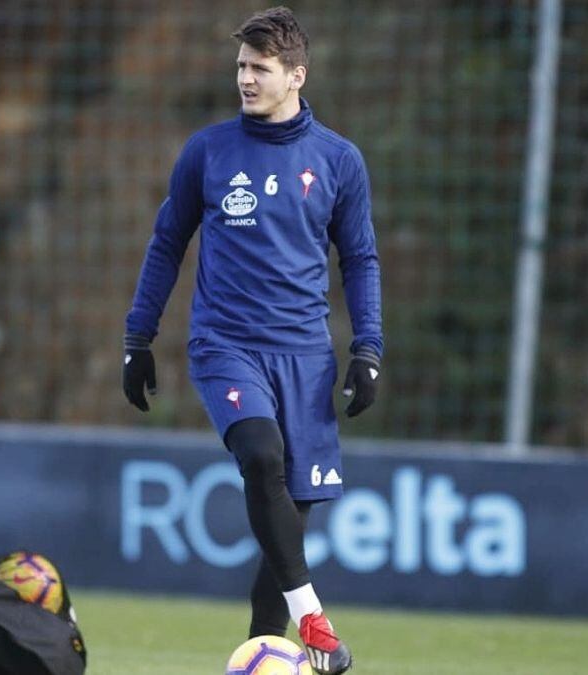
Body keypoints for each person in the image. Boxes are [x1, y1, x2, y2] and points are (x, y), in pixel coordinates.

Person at [121, 6, 381, 674]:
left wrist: (368, 349)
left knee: (286, 520)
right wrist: (138, 336)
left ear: (297, 75)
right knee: (261, 455)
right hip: (225, 345)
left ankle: (268, 646)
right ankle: (314, 620)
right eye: (241, 66)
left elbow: (360, 260)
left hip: (307, 358)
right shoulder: (208, 152)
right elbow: (166, 243)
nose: (245, 78)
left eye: (259, 68)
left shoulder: (339, 161)